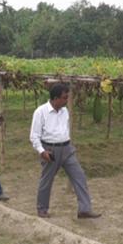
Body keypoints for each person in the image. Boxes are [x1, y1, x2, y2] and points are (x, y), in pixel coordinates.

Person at [30, 84, 101, 219]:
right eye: (64, 98)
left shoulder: (65, 111)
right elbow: (34, 136)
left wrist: (67, 144)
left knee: (79, 176)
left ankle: (84, 209)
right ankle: (42, 209)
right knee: (47, 180)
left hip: (67, 149)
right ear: (55, 98)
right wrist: (42, 151)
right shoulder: (40, 112)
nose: (66, 100)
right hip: (50, 150)